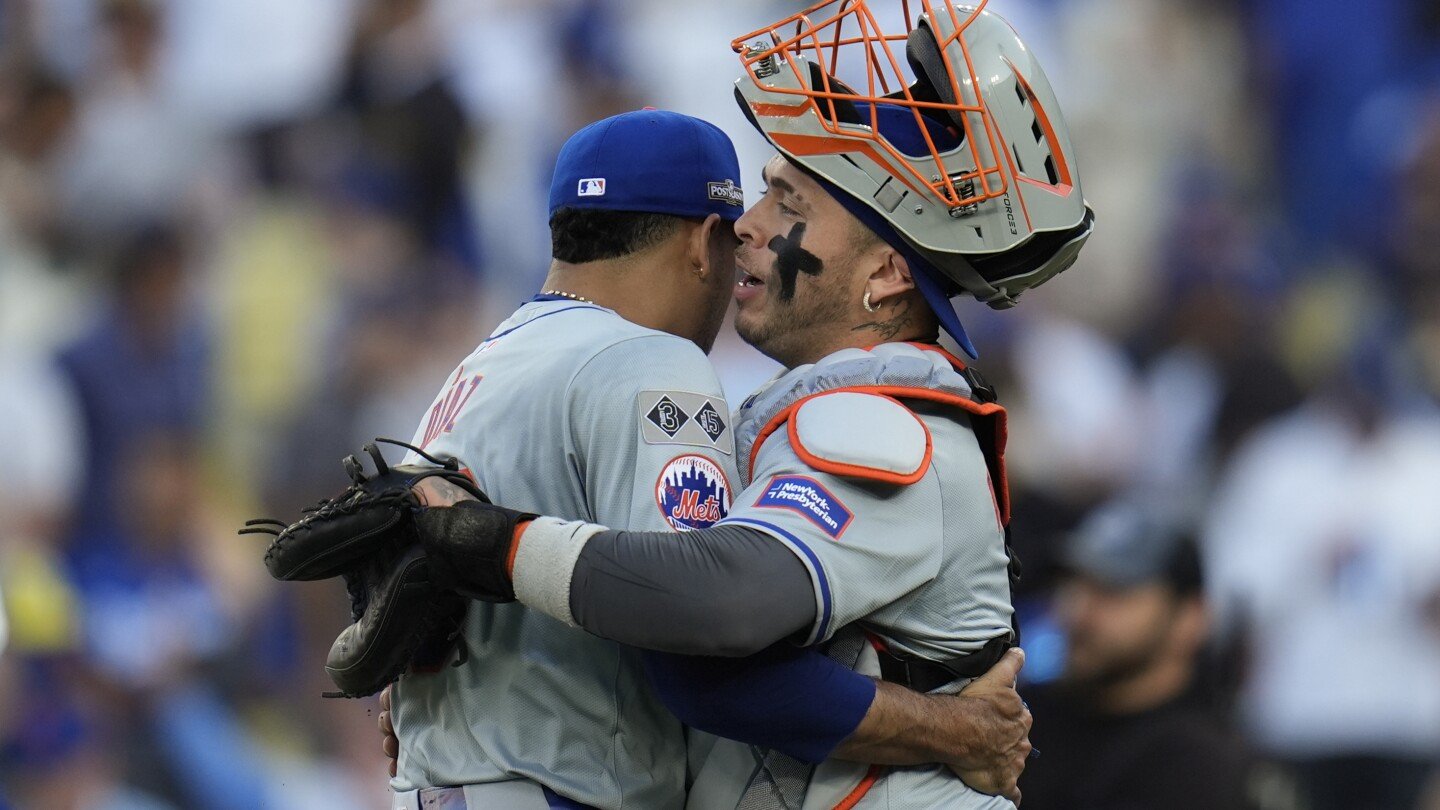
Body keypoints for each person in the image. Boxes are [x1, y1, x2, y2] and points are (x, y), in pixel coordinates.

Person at [379, 2, 1094, 807]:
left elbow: (714, 624)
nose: (743, 228)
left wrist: (503, 549)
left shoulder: (884, 419)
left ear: (888, 274)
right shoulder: (816, 408)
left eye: (788, 205)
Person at [1018, 500, 1258, 810]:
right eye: (1072, 586)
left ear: (1190, 619)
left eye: (1113, 591)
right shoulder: (1027, 714)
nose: (1076, 612)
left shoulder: (1202, 764)